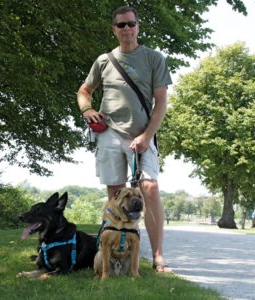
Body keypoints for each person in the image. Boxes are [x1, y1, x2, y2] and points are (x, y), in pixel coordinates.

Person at [77, 6, 173, 273]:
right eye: (121, 25)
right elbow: (84, 91)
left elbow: (161, 102)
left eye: (131, 24)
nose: (127, 29)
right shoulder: (104, 61)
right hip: (109, 133)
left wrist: (146, 136)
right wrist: (87, 109)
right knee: (115, 195)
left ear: (138, 27)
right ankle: (118, 258)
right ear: (114, 29)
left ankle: (157, 257)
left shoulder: (154, 58)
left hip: (142, 135)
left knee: (150, 189)